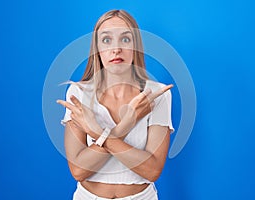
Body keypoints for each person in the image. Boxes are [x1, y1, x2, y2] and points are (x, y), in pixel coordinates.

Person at [57, 9, 174, 200]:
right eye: (106, 40)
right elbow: (78, 170)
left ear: (136, 46)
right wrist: (127, 124)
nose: (116, 49)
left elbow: (152, 170)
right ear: (96, 49)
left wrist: (98, 133)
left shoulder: (156, 95)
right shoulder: (78, 93)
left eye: (125, 39)